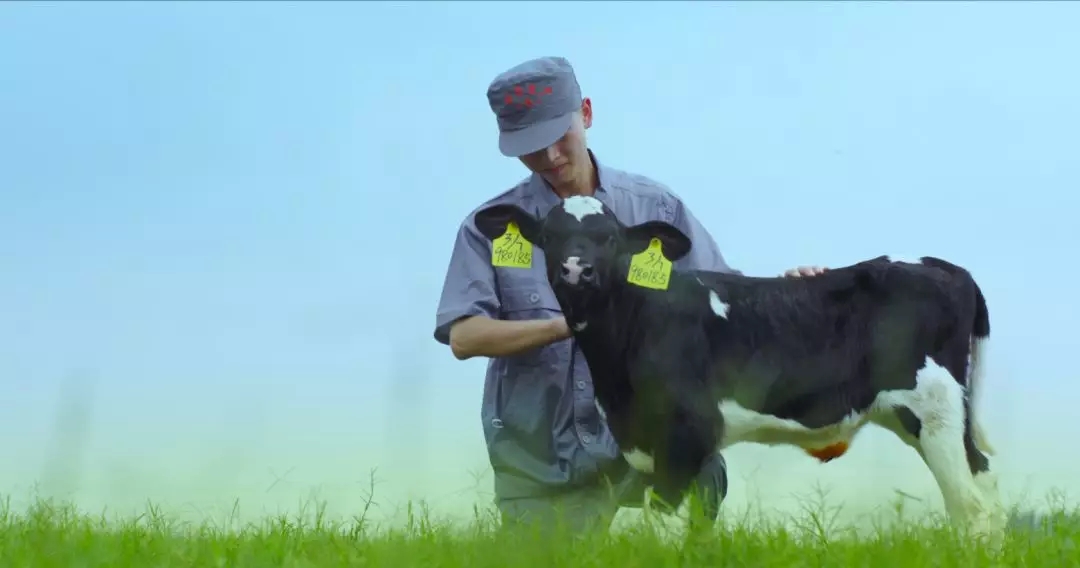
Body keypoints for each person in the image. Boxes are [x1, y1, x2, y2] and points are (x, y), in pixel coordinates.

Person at [433, 56, 824, 536]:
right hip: (542, 461)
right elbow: (464, 337)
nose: (551, 157)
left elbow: (723, 300)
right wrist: (570, 325)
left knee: (692, 483)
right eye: (532, 148)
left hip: (651, 442)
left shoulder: (653, 210)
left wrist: (792, 289)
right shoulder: (495, 228)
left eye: (561, 136)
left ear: (588, 115)